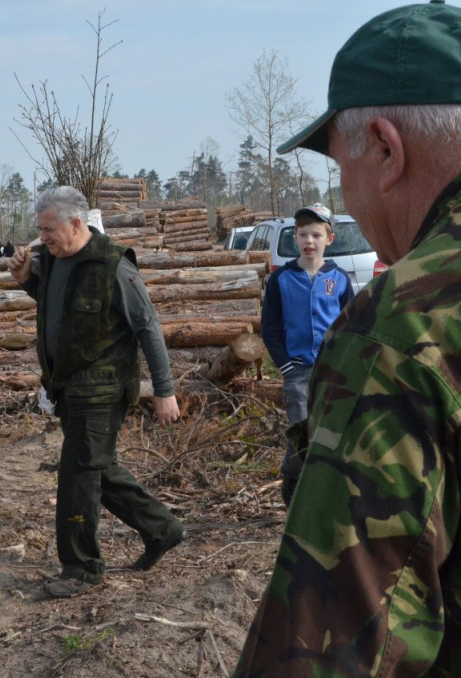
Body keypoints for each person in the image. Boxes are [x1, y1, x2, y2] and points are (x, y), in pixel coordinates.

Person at [234, 1, 461, 674]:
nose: (346, 195)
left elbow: (332, 637)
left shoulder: (402, 323)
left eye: (341, 166)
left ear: (387, 150)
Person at [8, 186, 186, 599]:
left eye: (48, 230)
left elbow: (148, 327)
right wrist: (25, 280)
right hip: (68, 387)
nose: (42, 239)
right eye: (39, 231)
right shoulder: (53, 262)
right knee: (98, 469)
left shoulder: (113, 265)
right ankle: (163, 529)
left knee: (77, 476)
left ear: (76, 223)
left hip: (102, 389)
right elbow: (59, 306)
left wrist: (164, 391)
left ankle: (81, 568)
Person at [259, 203, 354, 506]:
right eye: (302, 235)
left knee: (328, 435)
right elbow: (270, 327)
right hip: (297, 371)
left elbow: (350, 325)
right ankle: (293, 478)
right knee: (302, 433)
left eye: (316, 235)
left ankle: (325, 498)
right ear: (295, 238)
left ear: (330, 239)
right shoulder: (282, 279)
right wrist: (285, 365)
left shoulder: (338, 279)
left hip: (332, 371)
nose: (309, 241)